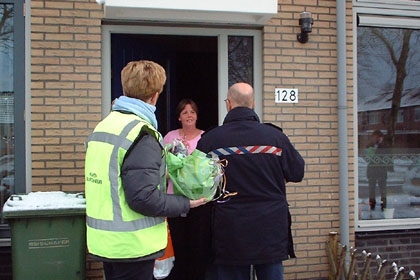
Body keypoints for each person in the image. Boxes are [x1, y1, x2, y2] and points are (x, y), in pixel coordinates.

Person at [84, 60, 207, 280]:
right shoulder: (141, 134)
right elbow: (143, 198)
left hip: (105, 242)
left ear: (125, 89)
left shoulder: (103, 127)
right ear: (156, 94)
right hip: (132, 245)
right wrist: (186, 203)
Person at [197, 82, 305, 280]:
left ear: (228, 104)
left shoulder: (210, 141)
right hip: (270, 231)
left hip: (229, 232)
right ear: (253, 104)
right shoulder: (276, 138)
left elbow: (198, 185)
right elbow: (297, 173)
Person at [163, 98, 213, 280]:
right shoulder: (169, 137)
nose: (189, 115)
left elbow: (210, 170)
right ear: (179, 117)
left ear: (197, 115)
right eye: (185, 112)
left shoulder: (205, 137)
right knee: (178, 246)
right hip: (174, 201)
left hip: (200, 202)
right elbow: (161, 167)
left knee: (198, 247)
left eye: (192, 112)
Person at [366, 129, 391, 211]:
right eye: (374, 137)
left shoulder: (385, 146)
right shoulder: (370, 145)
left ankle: (383, 207)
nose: (374, 139)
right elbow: (367, 157)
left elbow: (387, 158)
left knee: (382, 190)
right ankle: (372, 206)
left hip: (381, 171)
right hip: (372, 171)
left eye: (376, 137)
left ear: (380, 138)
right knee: (371, 190)